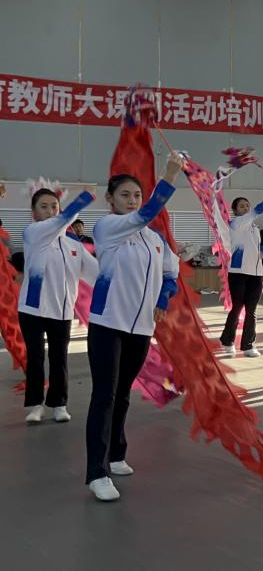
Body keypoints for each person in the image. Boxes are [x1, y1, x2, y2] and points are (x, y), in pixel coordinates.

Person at [85, 154, 184, 502]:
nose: (132, 201)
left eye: (137, 195)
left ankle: (116, 453)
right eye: (125, 195)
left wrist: (163, 298)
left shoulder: (155, 239)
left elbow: (171, 273)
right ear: (110, 200)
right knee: (104, 395)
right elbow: (145, 214)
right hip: (107, 322)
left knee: (123, 393)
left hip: (141, 327)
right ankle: (97, 472)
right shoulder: (107, 227)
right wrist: (170, 175)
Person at [20, 186, 97, 424]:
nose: (50, 211)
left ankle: (58, 404)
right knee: (35, 358)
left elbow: (96, 274)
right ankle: (35, 405)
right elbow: (61, 221)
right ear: (34, 212)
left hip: (62, 311)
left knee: (59, 358)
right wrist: (84, 199)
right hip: (32, 309)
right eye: (43, 207)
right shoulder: (33, 234)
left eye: (54, 206)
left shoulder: (74, 245)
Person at [220, 188, 263, 357]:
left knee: (252, 310)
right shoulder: (236, 224)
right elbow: (258, 210)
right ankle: (227, 341)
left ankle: (248, 345)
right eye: (242, 206)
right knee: (237, 307)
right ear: (235, 211)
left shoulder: (254, 228)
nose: (246, 208)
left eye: (247, 205)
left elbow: (256, 248)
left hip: (256, 273)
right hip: (238, 272)